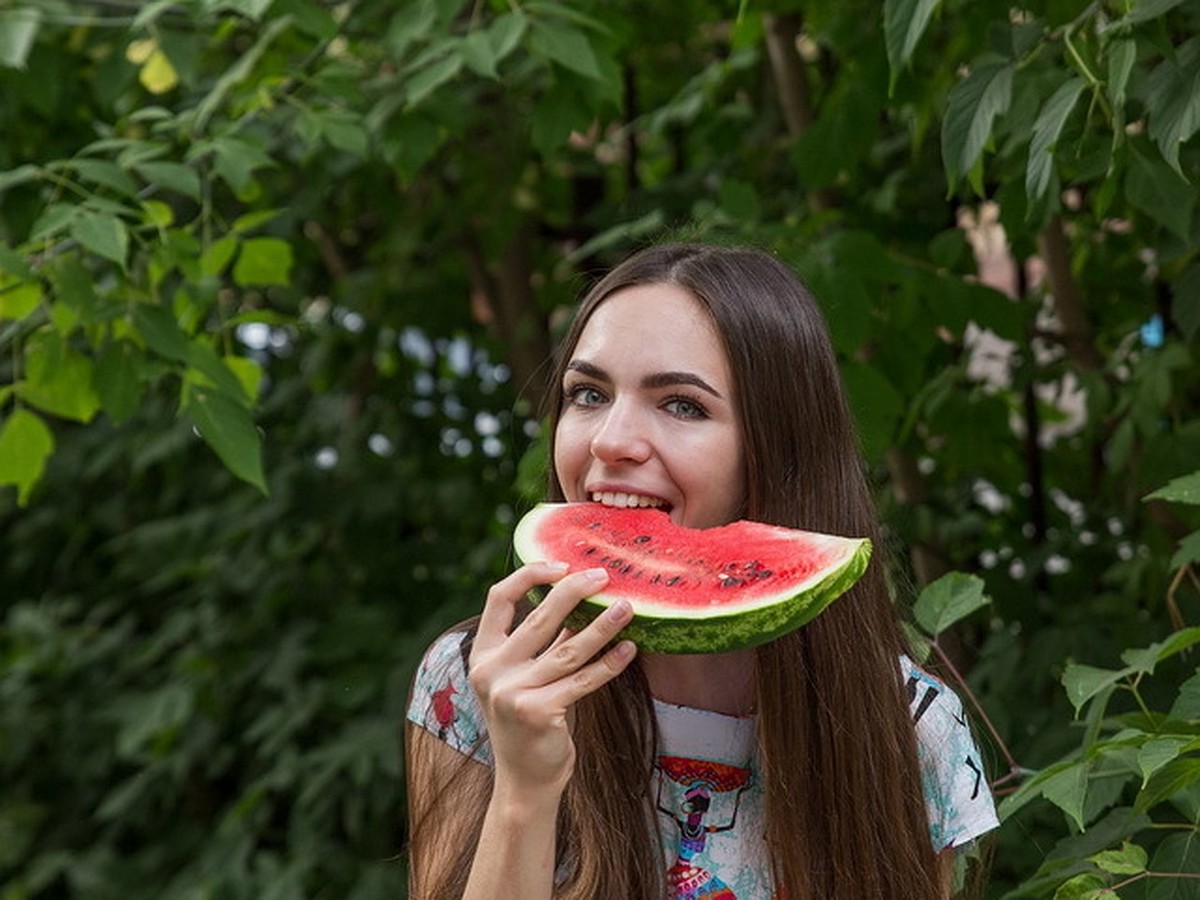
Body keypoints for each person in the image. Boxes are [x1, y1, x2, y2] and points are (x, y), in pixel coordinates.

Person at [404, 242, 999, 899]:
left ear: (778, 449)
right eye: (589, 393)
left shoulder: (911, 729)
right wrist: (524, 791)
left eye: (682, 405)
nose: (608, 440)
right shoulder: (474, 686)